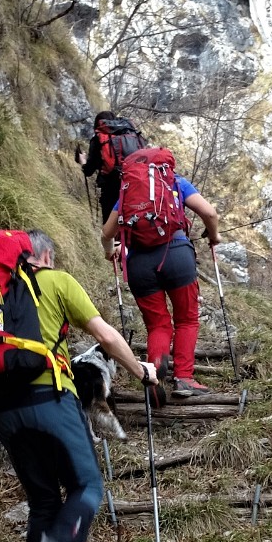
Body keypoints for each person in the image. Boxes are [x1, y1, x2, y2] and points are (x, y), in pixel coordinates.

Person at [0, 229, 160, 542]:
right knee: (87, 486)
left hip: (3, 411)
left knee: (45, 501)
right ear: (45, 256)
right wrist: (142, 372)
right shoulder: (57, 282)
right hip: (51, 399)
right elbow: (104, 336)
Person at [99, 167, 222, 397]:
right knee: (186, 319)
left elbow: (107, 233)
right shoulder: (176, 183)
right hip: (176, 255)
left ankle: (154, 377)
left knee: (157, 324)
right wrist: (214, 235)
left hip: (138, 263)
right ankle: (184, 378)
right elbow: (210, 214)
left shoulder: (128, 191)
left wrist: (109, 251)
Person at [75, 111, 132, 224]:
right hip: (133, 187)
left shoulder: (99, 139)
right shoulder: (128, 135)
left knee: (110, 229)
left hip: (111, 189)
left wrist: (83, 161)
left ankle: (113, 241)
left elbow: (88, 170)